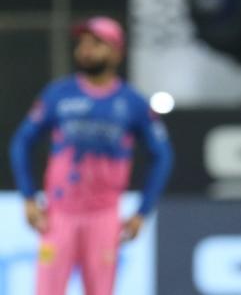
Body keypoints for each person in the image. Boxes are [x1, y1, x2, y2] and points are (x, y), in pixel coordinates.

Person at [9, 16, 174, 295]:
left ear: (117, 52)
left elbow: (163, 155)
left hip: (104, 217)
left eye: (96, 43)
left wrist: (142, 212)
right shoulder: (59, 95)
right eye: (83, 43)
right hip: (59, 213)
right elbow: (21, 142)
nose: (86, 49)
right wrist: (28, 197)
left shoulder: (132, 103)